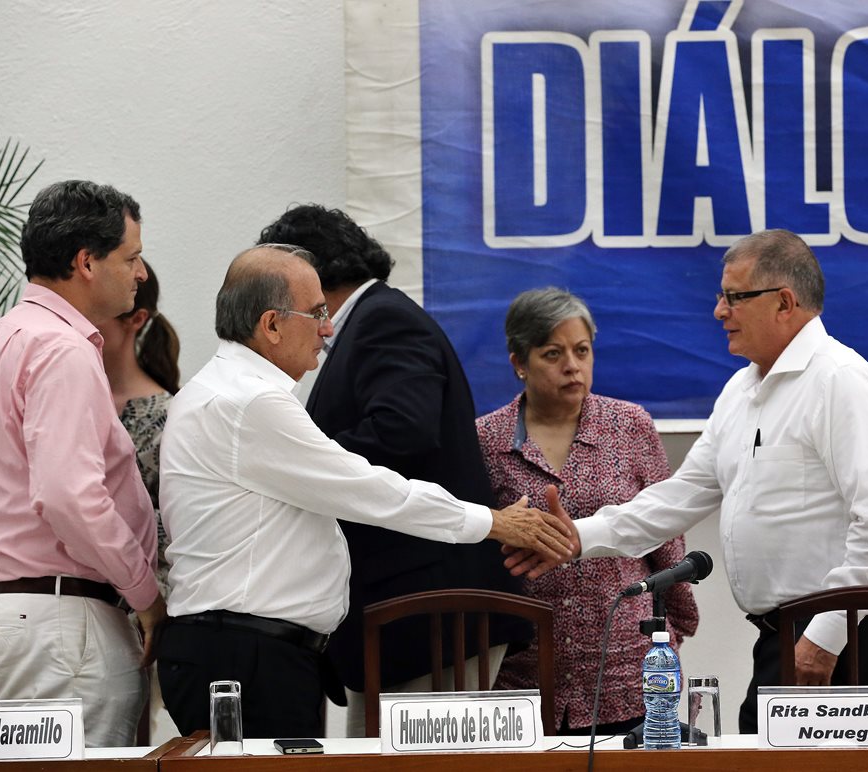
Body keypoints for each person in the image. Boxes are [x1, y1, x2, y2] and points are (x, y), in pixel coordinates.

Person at [506, 229, 868, 733]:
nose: (720, 311)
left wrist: (827, 635)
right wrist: (577, 537)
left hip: (851, 630)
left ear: (784, 302)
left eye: (734, 297)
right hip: (783, 634)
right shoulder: (742, 389)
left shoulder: (841, 382)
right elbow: (679, 497)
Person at [155, 244, 571, 738]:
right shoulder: (252, 402)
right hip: (248, 655)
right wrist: (492, 521)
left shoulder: (217, 389)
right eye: (316, 314)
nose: (328, 330)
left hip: (242, 649)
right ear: (271, 325)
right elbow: (367, 489)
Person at [258, 205, 530, 736]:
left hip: (433, 611)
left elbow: (403, 430)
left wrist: (305, 463)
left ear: (313, 274)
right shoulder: (367, 322)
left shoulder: (384, 318)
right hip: (401, 613)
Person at [0, 180, 166, 746]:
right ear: (86, 262)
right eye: (131, 258)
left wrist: (9, 559)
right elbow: (68, 494)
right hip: (67, 626)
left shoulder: (3, 337)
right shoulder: (63, 349)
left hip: (11, 615)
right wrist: (147, 596)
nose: (140, 274)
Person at [476, 287, 699, 735]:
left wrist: (673, 627)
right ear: (519, 362)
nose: (572, 366)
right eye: (552, 354)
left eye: (582, 351)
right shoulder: (486, 440)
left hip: (626, 663)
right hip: (525, 670)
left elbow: (666, 533)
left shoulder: (629, 426)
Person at [96, 259, 180, 593]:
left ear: (137, 319)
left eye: (97, 314)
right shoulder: (68, 399)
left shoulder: (171, 416)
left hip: (145, 607)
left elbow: (180, 526)